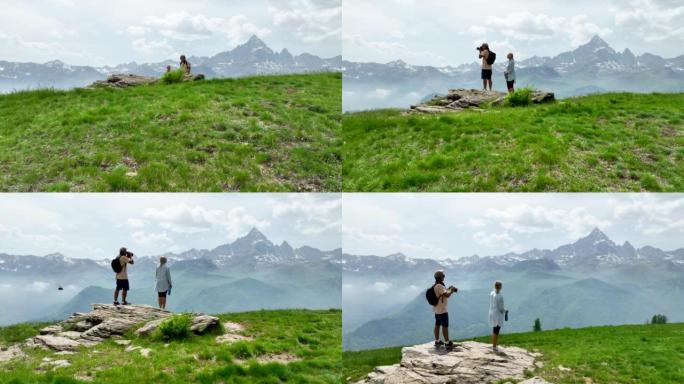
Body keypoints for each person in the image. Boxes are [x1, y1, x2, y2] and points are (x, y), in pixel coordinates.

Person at [432, 270, 458, 350]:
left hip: (436, 309)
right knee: (445, 326)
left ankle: (437, 341)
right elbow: (446, 295)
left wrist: (448, 289)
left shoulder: (435, 285)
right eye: (443, 275)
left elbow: (443, 293)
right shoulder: (439, 286)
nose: (444, 277)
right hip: (442, 310)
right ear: (440, 277)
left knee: (437, 324)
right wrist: (452, 290)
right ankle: (447, 343)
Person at [489, 281, 506, 353]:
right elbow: (501, 308)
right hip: (497, 315)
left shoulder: (492, 293)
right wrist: (505, 310)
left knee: (494, 329)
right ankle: (494, 346)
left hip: (492, 312)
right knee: (497, 330)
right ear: (500, 287)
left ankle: (494, 345)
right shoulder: (500, 296)